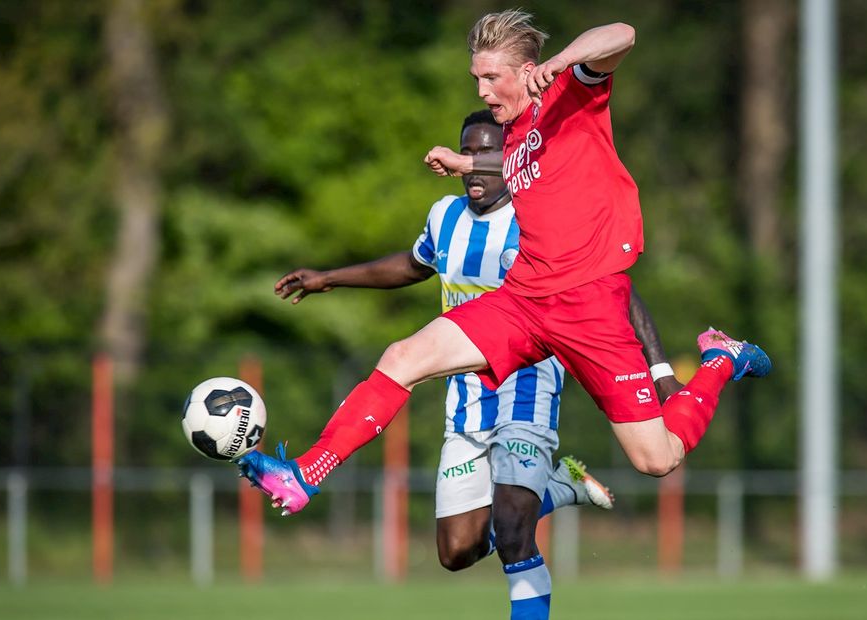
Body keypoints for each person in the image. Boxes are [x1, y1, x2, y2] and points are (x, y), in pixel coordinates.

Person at [238, 10, 769, 618]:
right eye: (476, 79)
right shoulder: (512, 137)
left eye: (491, 78)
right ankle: (305, 475)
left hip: (590, 305)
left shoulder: (573, 95)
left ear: (524, 71)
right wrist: (467, 166)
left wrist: (562, 62)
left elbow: (622, 34)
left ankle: (721, 361)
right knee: (402, 357)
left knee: (658, 459)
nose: (482, 91)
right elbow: (521, 172)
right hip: (524, 297)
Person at [268, 110, 678, 586]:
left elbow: (615, 291)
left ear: (510, 159)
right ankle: (561, 489)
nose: (474, 164)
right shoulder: (444, 215)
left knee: (512, 533)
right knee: (456, 551)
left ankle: (531, 520)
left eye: (486, 153)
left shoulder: (537, 219)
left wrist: (660, 369)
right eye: (467, 152)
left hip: (527, 388)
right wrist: (328, 278)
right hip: (466, 400)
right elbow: (413, 265)